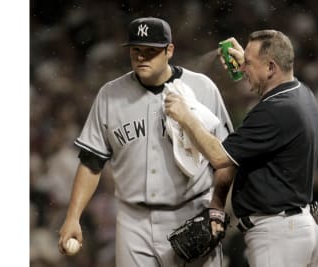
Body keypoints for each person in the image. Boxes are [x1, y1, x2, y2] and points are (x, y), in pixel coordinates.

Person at [58, 17, 234, 267]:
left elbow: (227, 159)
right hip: (133, 222)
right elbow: (91, 162)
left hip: (191, 213)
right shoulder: (110, 94)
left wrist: (216, 207)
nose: (142, 57)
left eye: (151, 50)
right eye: (136, 50)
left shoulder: (202, 88)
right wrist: (72, 217)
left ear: (169, 50)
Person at [165, 30, 318, 267]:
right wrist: (249, 60)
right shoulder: (301, 93)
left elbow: (220, 157)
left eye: (248, 63)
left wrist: (186, 117)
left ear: (270, 67)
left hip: (278, 233)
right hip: (293, 226)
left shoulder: (275, 110)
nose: (243, 68)